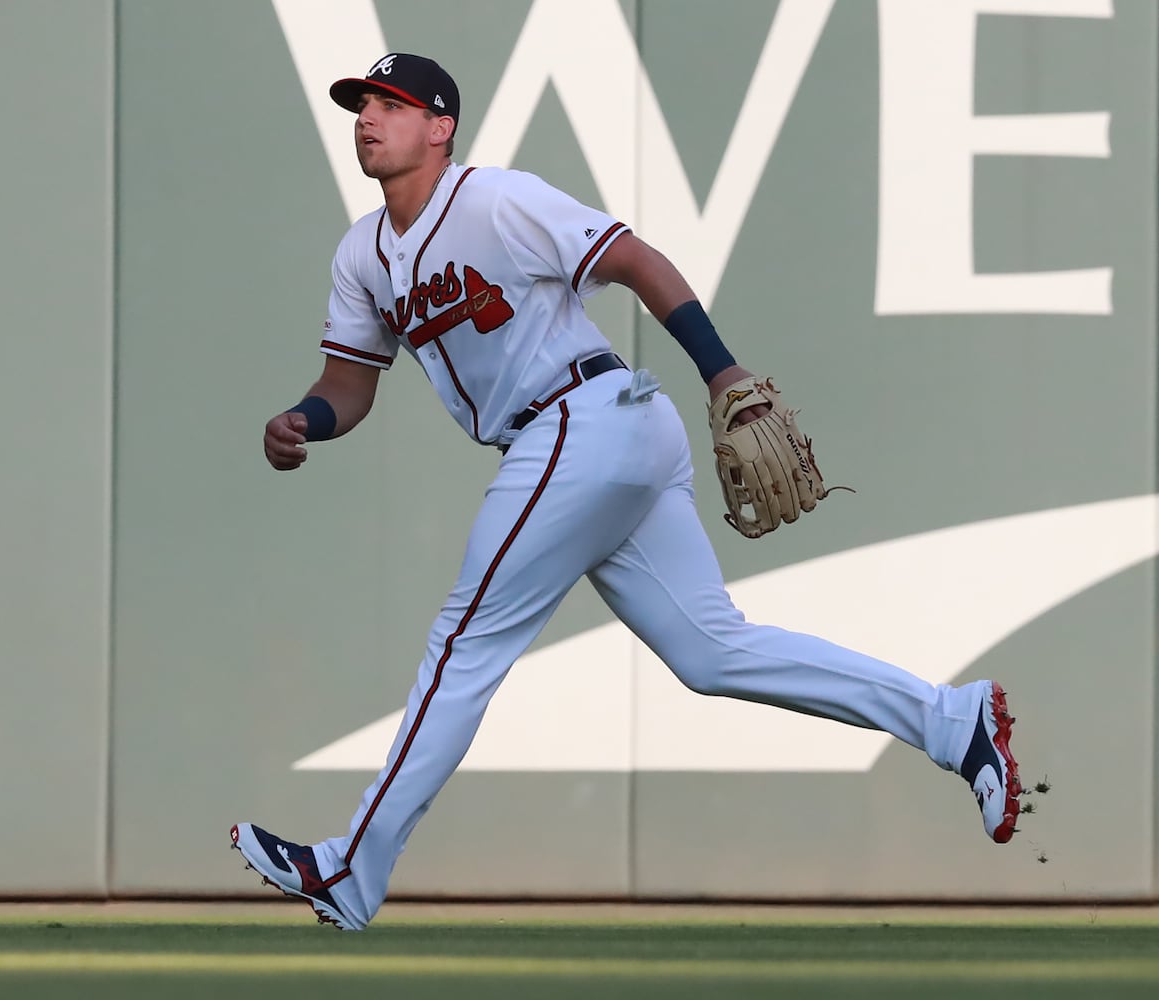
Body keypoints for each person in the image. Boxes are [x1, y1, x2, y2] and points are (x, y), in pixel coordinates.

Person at [231, 53, 1022, 931]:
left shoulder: (496, 200)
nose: (368, 117)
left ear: (440, 126)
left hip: (582, 420)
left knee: (463, 640)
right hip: (594, 437)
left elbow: (634, 260)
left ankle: (352, 866)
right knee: (712, 651)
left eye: (390, 103)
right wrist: (304, 420)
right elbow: (350, 382)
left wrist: (721, 373)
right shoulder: (362, 253)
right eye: (362, 104)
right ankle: (951, 722)